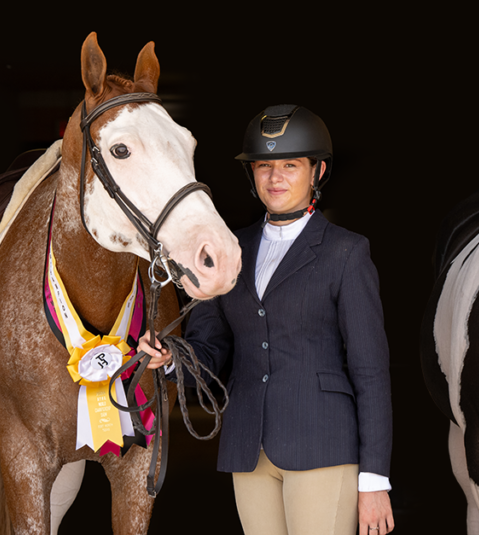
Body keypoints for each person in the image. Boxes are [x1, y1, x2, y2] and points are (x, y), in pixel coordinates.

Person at [141, 104, 395, 535]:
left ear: (317, 172)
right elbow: (211, 349)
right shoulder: (227, 249)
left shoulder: (346, 253)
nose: (275, 178)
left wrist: (374, 480)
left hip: (322, 445)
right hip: (248, 446)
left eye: (290, 165)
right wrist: (171, 358)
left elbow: (371, 373)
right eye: (264, 166)